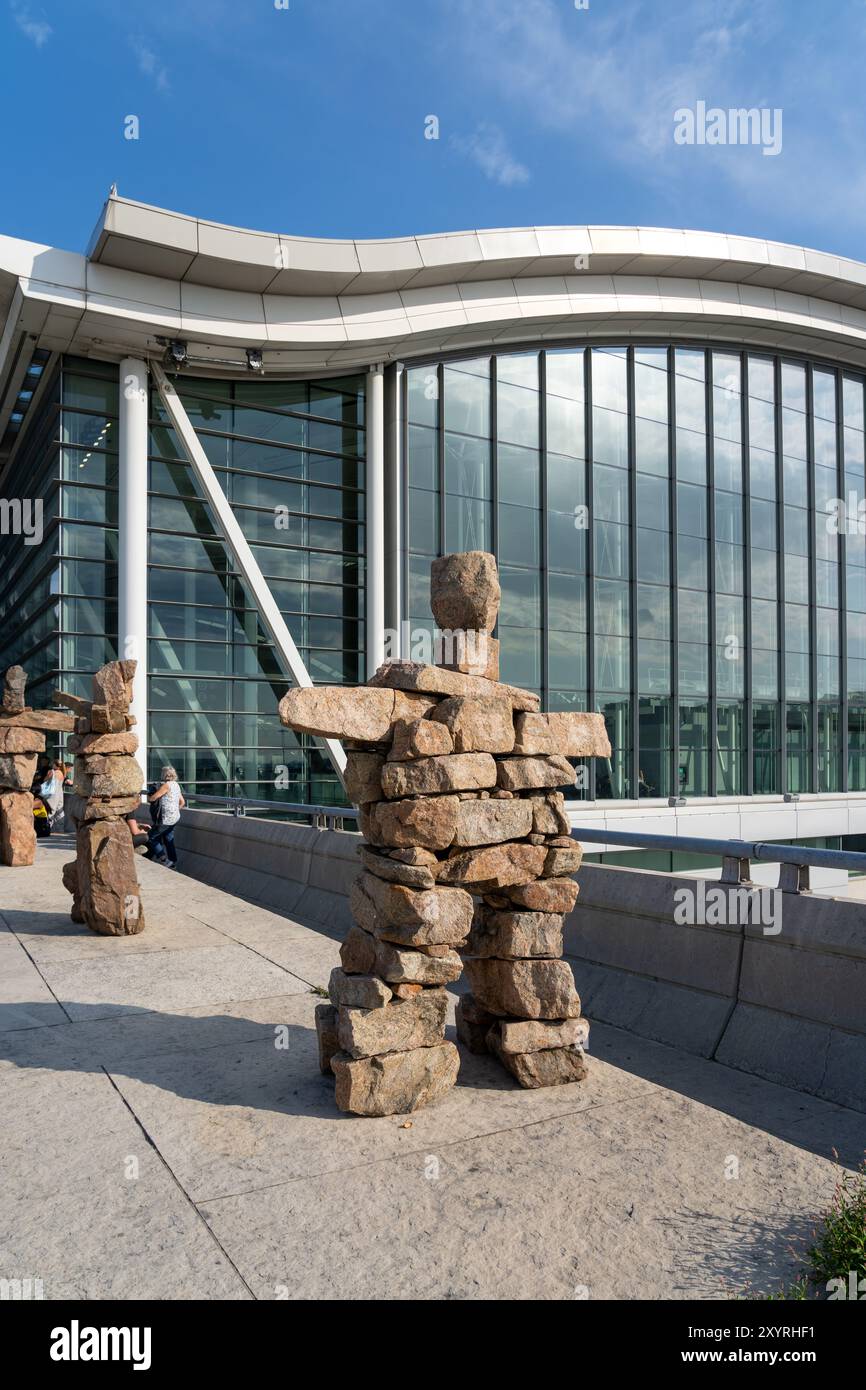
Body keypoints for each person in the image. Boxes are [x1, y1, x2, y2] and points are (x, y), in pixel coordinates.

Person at [147, 766, 185, 869]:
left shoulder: (166, 785)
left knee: (151, 837)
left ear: (164, 774)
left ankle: (164, 860)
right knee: (169, 839)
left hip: (166, 818)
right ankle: (173, 862)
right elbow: (182, 802)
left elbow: (153, 798)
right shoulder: (176, 785)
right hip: (175, 818)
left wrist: (149, 797)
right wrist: (175, 810)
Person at [34, 760, 67, 831]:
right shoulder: (62, 773)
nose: (51, 765)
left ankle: (47, 827)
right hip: (60, 794)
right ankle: (60, 830)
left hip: (52, 794)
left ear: (55, 765)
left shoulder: (52, 772)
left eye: (52, 764)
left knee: (50, 810)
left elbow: (45, 780)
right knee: (59, 812)